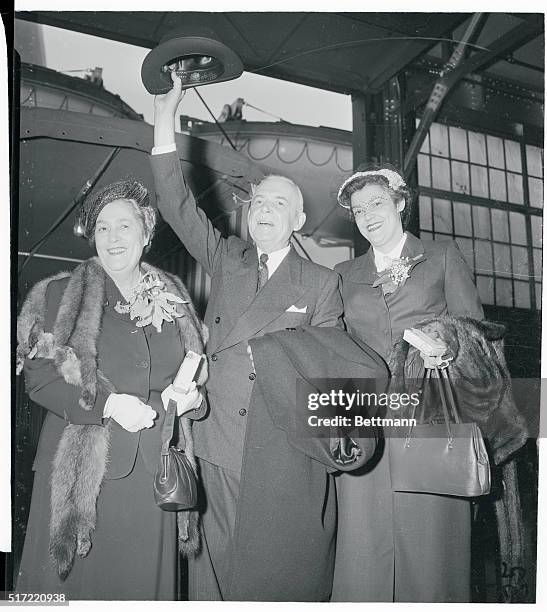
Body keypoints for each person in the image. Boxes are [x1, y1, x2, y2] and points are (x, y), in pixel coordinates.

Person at [149, 75, 383, 601]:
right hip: (213, 439)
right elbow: (175, 203)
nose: (264, 208)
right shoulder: (227, 258)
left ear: (298, 219)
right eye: (258, 201)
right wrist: (166, 116)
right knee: (210, 579)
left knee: (270, 576)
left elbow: (333, 367)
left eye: (278, 203)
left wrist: (266, 352)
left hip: (277, 452)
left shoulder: (323, 283)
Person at [16, 180, 207, 600]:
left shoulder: (174, 295)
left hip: (153, 477)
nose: (113, 237)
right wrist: (108, 404)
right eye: (102, 227)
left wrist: (192, 400)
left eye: (124, 225)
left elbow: (193, 371)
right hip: (83, 476)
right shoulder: (59, 294)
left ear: (146, 233)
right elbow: (40, 377)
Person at [331, 165, 484, 603]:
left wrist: (450, 347)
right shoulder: (342, 274)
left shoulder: (441, 257)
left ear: (400, 204)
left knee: (433, 553)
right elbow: (334, 345)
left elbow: (476, 331)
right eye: (359, 210)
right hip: (365, 426)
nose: (368, 215)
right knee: (363, 551)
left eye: (377, 203)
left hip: (432, 420)